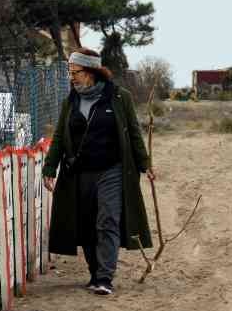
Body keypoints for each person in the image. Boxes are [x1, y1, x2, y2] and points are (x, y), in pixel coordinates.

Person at [42, 49, 154, 296]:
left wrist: (145, 164)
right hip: (78, 173)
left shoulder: (118, 97)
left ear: (91, 72)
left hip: (112, 170)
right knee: (88, 225)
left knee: (107, 220)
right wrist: (50, 167)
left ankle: (105, 277)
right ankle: (95, 274)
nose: (72, 77)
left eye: (76, 72)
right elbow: (60, 136)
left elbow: (133, 132)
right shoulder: (70, 101)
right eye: (70, 72)